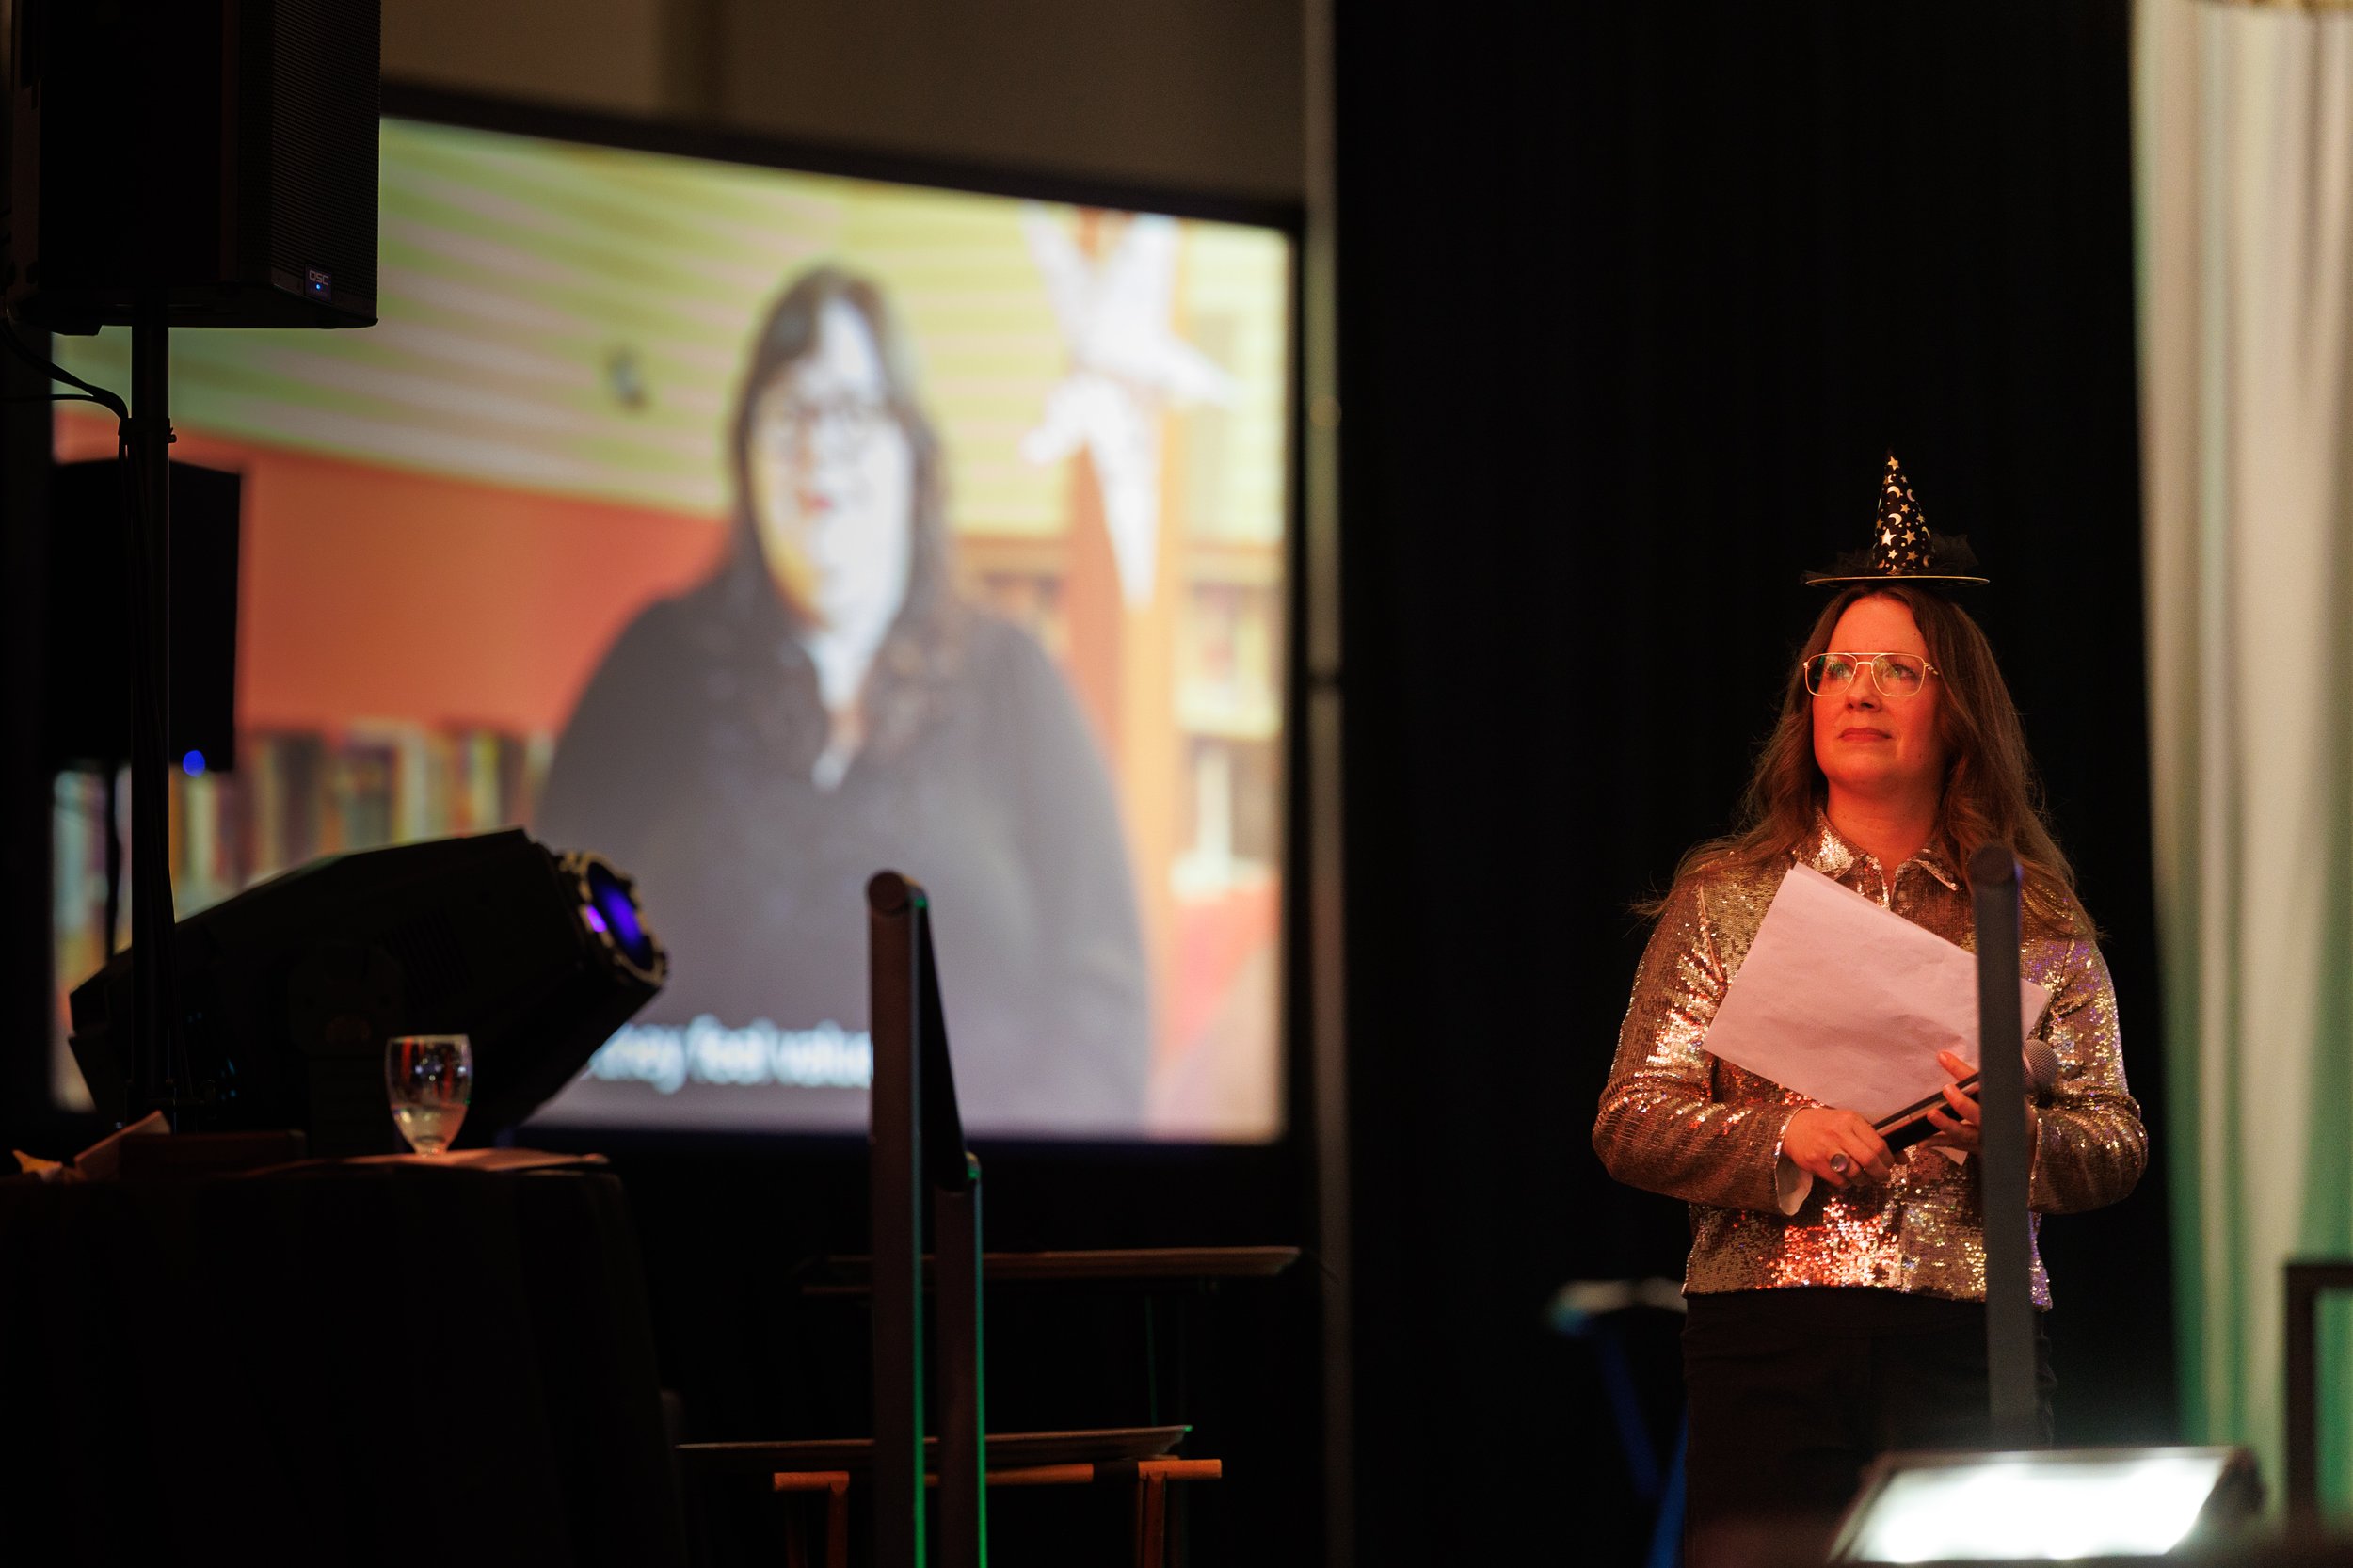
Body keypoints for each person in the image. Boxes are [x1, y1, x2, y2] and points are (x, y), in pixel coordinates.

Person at [1592, 457, 2145, 1551]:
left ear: (1958, 709)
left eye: (1897, 670)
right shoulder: (1727, 899)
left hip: (1971, 1340)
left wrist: (2014, 1136)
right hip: (1767, 1339)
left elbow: (2116, 1139)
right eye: (1835, 669)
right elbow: (1628, 1118)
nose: (1856, 691)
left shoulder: (2029, 915)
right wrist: (1781, 1136)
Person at [536, 266, 1151, 1133]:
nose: (820, 447)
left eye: (857, 411)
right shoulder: (654, 667)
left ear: (914, 452)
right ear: (745, 451)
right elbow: (547, 971)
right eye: (791, 411)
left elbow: (1105, 1004)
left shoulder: (1016, 682)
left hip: (978, 1202)